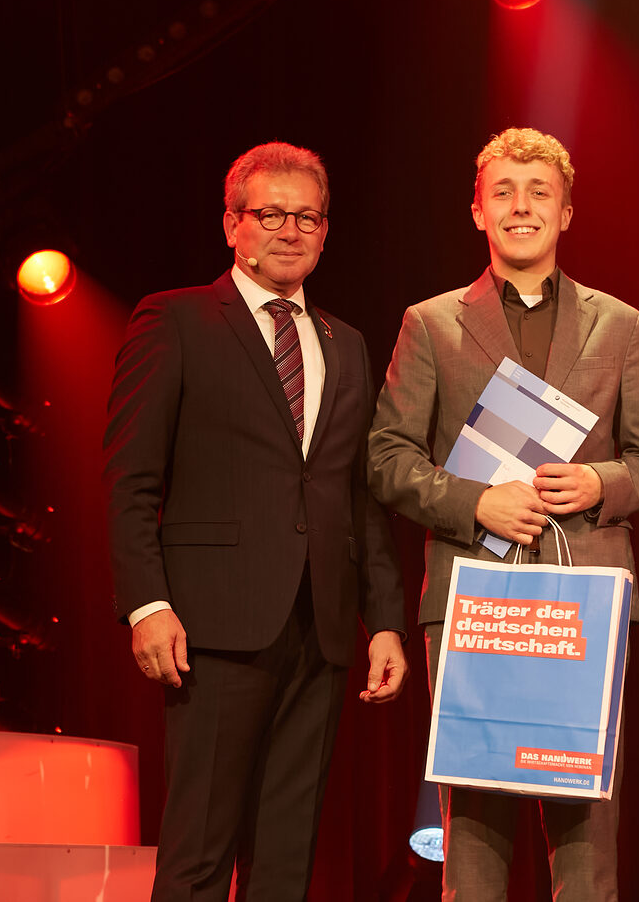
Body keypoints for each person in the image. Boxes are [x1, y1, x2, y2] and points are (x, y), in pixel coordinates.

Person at [368, 127, 639, 900]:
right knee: (472, 829)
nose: (521, 206)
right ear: (477, 211)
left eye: (540, 192)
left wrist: (600, 481)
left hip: (586, 605)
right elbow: (387, 458)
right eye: (502, 191)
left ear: (568, 212)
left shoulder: (622, 324)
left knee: (586, 831)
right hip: (476, 600)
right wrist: (479, 502)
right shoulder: (430, 323)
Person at [103, 141, 408, 901]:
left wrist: (387, 620)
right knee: (200, 848)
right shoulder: (173, 319)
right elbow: (130, 479)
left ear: (326, 230)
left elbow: (357, 496)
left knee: (286, 851)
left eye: (307, 215)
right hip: (211, 625)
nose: (289, 229)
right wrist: (148, 602)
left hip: (322, 628)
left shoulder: (347, 342)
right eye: (270, 213)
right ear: (232, 225)